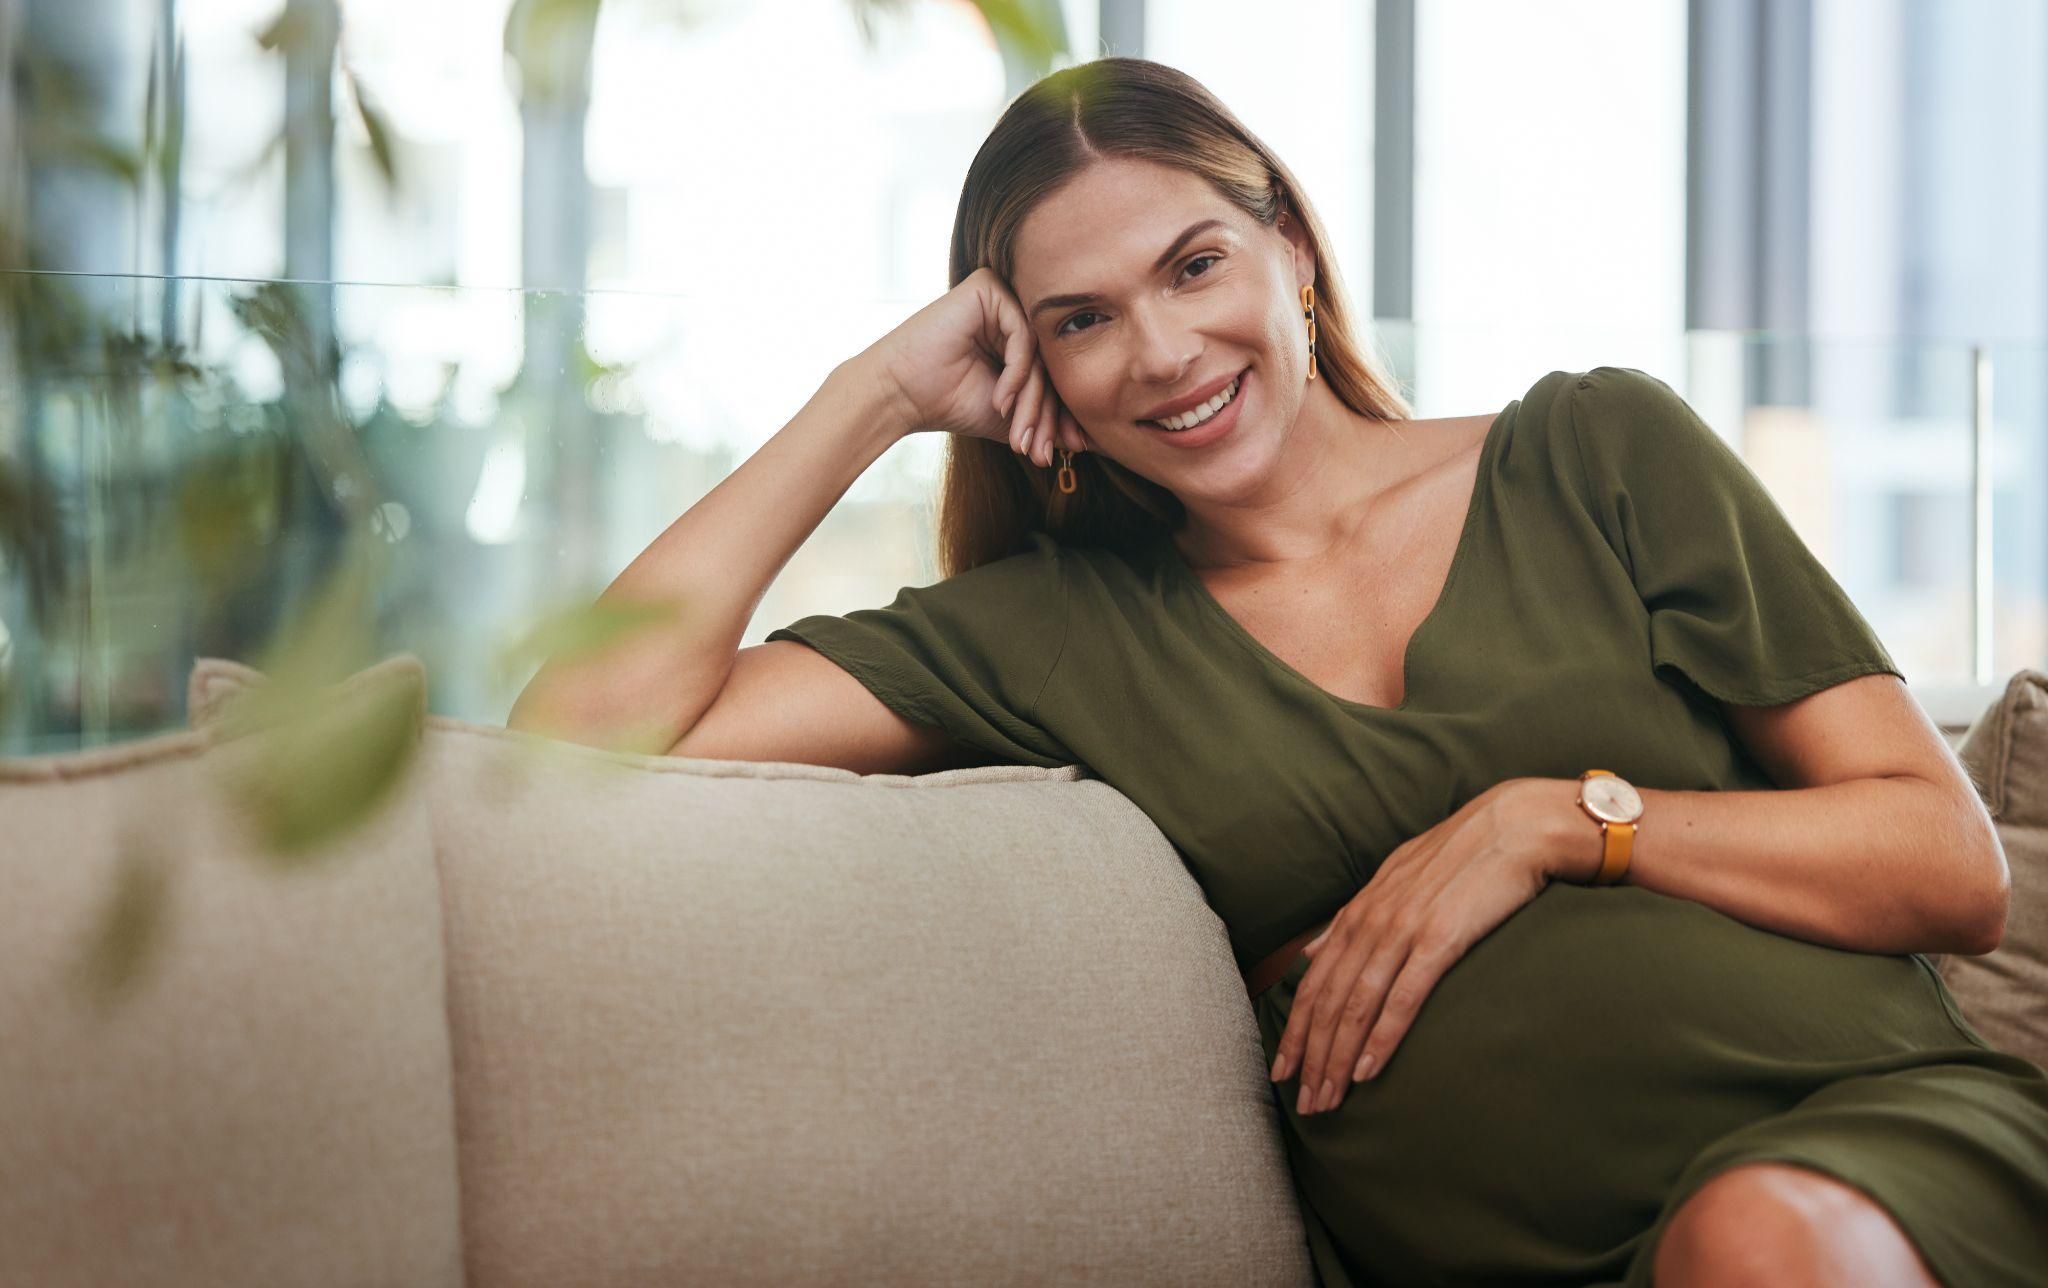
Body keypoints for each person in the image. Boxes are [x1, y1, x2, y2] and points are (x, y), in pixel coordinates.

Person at [509, 56, 2048, 1287]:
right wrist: (871, 395)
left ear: (1291, 250)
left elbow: (1944, 862)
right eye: (1083, 321)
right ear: (1032, 370)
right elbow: (579, 729)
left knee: (1761, 1245)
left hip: (1860, 1156)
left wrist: (1555, 823)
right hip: (1507, 1241)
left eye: (1194, 266)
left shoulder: (1597, 451)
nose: (1165, 352)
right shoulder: (1053, 630)